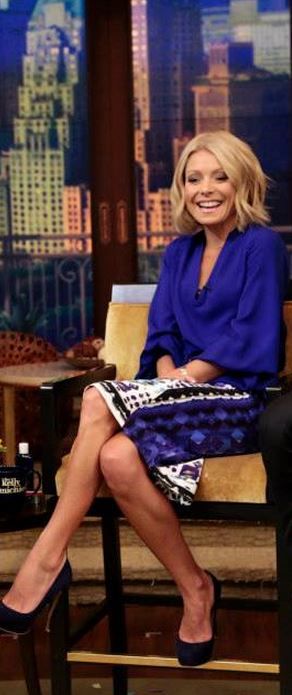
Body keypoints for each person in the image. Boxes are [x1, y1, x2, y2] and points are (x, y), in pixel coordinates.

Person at [0, 130, 289, 667]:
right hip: (174, 392)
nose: (205, 189)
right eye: (193, 177)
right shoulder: (179, 252)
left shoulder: (262, 246)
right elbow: (162, 335)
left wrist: (182, 377)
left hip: (236, 399)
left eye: (218, 176)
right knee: (114, 456)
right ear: (181, 187)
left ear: (241, 181)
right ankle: (197, 587)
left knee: (94, 401)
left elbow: (252, 335)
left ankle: (46, 557)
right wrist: (164, 376)